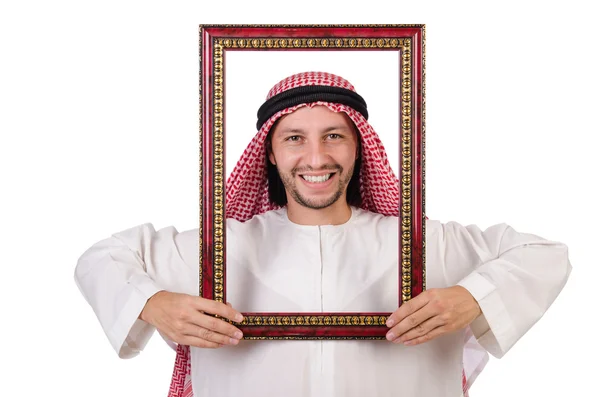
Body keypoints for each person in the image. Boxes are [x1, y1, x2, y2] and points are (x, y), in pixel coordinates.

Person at [74, 71, 572, 397]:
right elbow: (102, 258)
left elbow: (543, 254)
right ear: (269, 153)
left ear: (359, 147)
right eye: (295, 139)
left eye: (334, 136)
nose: (316, 158)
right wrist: (154, 303)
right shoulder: (219, 250)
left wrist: (471, 297)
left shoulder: (424, 247)